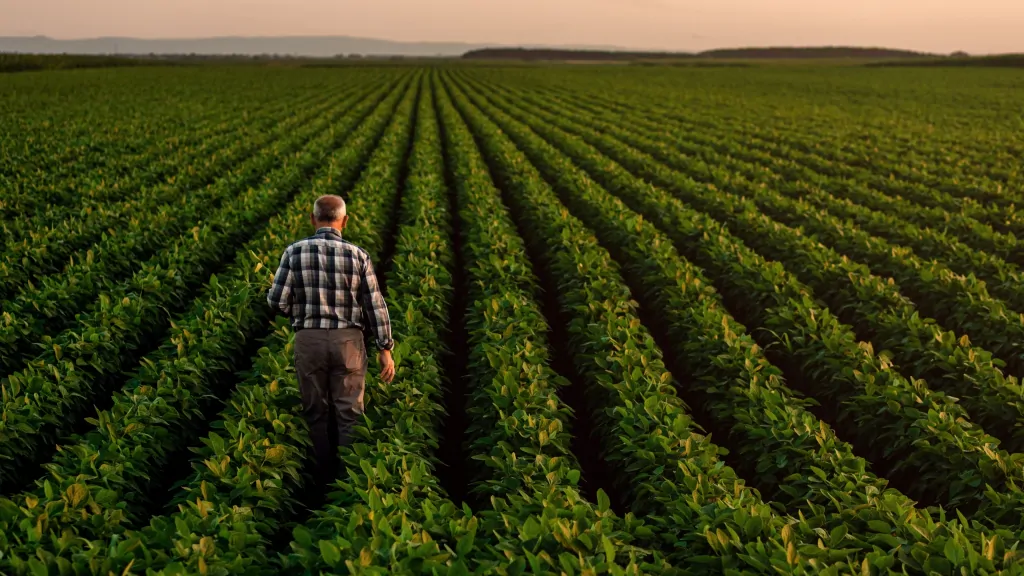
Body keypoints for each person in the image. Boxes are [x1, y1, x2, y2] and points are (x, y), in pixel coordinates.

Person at [267, 194, 396, 489]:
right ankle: (348, 482)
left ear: (312, 219)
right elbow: (375, 305)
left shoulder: (294, 252)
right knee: (350, 413)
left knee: (315, 411)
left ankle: (319, 479)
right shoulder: (357, 255)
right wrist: (384, 348)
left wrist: (297, 309)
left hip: (309, 338)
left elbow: (276, 301)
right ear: (345, 221)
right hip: (348, 342)